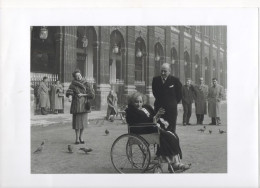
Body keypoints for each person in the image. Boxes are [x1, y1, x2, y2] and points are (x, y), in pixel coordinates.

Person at [125, 92, 191, 172]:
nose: (139, 104)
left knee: (173, 135)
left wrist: (161, 121)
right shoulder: (131, 111)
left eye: (140, 101)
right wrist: (155, 120)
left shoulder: (146, 107)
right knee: (167, 137)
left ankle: (175, 162)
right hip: (144, 131)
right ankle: (171, 163)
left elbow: (154, 116)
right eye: (136, 102)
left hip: (152, 128)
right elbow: (140, 123)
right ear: (132, 102)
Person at [66, 70, 95, 145]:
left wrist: (83, 95)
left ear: (81, 75)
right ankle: (76, 138)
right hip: (76, 105)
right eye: (77, 76)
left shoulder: (87, 83)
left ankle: (81, 137)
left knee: (83, 123)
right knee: (77, 123)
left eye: (79, 75)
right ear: (75, 77)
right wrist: (70, 96)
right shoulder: (73, 84)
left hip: (84, 105)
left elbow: (92, 94)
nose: (79, 77)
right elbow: (70, 91)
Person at [152, 63, 182, 133]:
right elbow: (154, 93)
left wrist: (172, 103)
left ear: (169, 71)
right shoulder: (155, 80)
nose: (163, 73)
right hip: (159, 108)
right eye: (161, 71)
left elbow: (179, 95)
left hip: (171, 110)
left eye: (165, 71)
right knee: (158, 129)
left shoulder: (175, 80)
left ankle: (170, 143)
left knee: (171, 129)